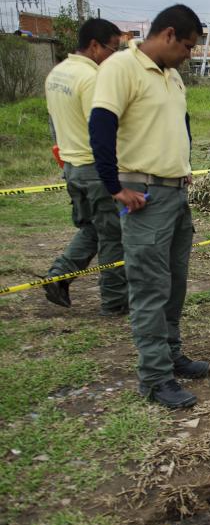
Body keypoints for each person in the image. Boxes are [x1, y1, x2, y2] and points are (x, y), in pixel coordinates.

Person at [89, 4, 208, 409]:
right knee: (149, 287)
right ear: (169, 34)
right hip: (143, 194)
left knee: (175, 282)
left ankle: (172, 354)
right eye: (188, 47)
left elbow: (181, 125)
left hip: (175, 193)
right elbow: (101, 126)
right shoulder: (121, 68)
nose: (189, 55)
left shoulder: (172, 77)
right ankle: (155, 378)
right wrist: (113, 187)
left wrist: (185, 166)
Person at [43, 18, 127, 315]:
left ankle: (58, 277)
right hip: (95, 169)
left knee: (92, 228)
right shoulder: (92, 79)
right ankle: (116, 301)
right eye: (113, 49)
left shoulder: (57, 74)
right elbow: (102, 129)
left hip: (71, 167)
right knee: (112, 235)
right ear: (94, 46)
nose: (114, 56)